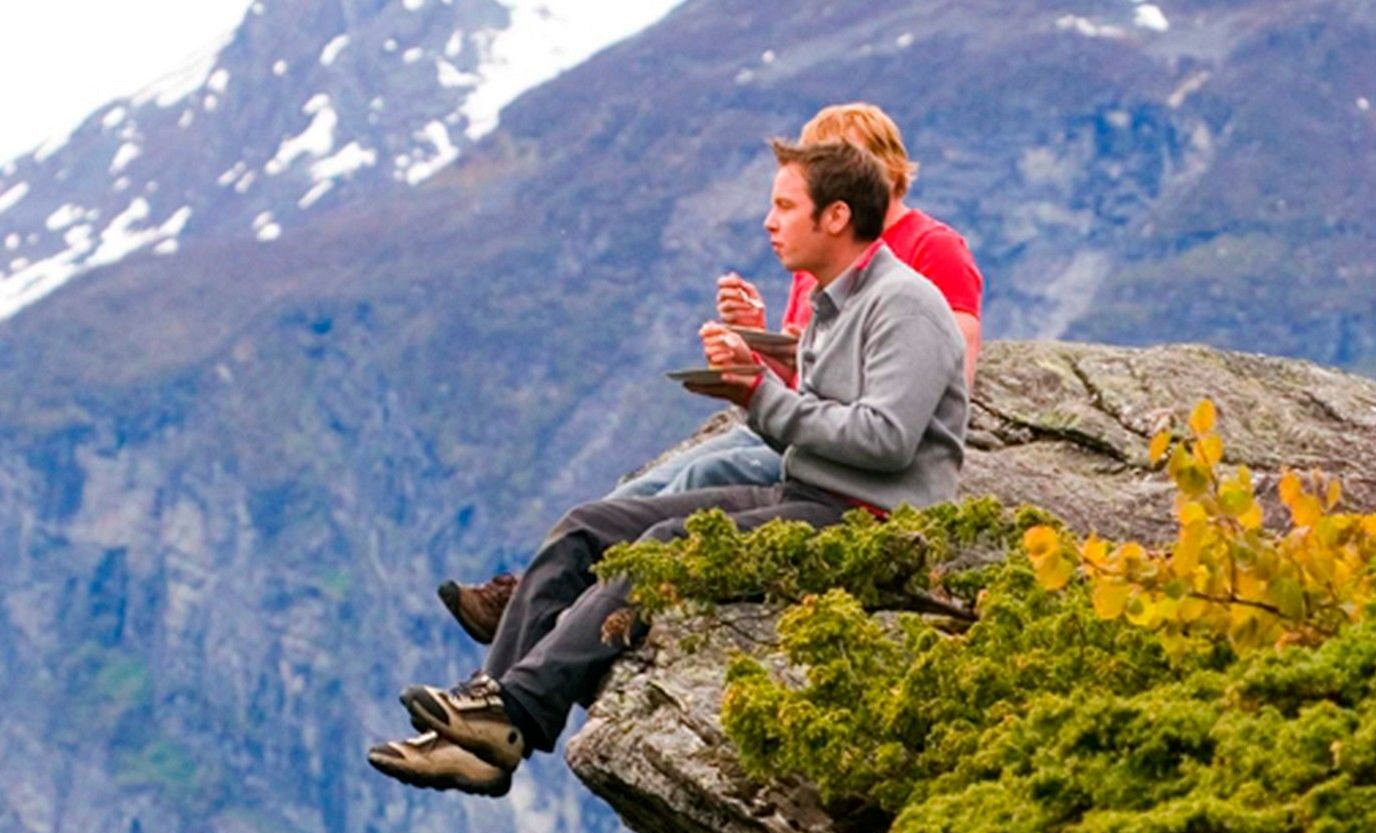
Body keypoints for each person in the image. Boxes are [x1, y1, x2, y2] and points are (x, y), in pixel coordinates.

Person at [369, 139, 968, 796]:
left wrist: (759, 396)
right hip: (810, 493)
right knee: (588, 526)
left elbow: (886, 439)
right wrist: (755, 380)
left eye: (784, 206)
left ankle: (509, 717)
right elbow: (823, 416)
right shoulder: (833, 303)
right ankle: (487, 730)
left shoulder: (903, 303)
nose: (770, 222)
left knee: (661, 549)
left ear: (836, 217)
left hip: (869, 524)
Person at [436, 103, 983, 646]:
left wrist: (772, 391)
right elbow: (813, 368)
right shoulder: (825, 266)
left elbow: (943, 364)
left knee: (700, 479)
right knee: (643, 487)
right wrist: (753, 337)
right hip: (805, 423)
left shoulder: (926, 253)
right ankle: (545, 591)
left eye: (838, 159)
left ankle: (579, 606)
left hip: (842, 457)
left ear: (881, 171)